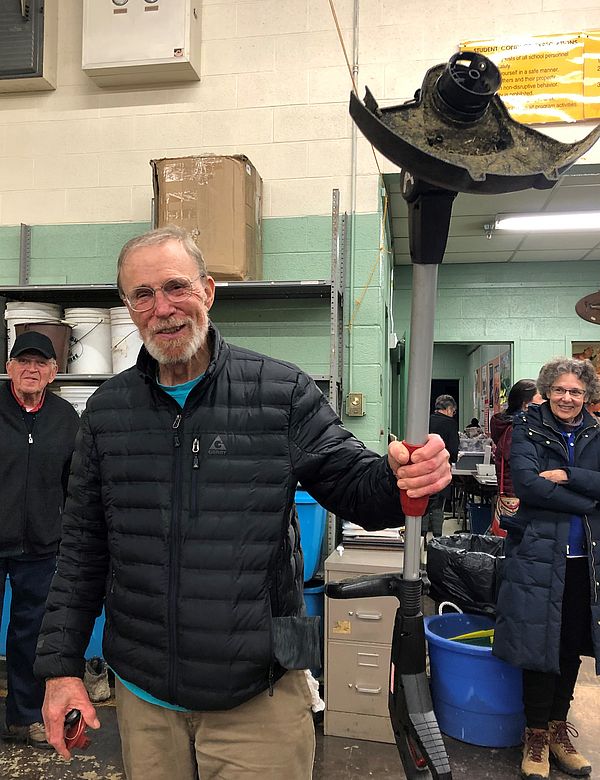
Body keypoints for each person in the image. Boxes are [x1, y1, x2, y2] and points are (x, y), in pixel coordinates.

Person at [33, 226, 451, 780]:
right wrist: (61, 669)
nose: (162, 308)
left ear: (208, 291)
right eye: (143, 294)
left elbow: (359, 490)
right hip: (144, 694)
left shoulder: (279, 393)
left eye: (176, 287)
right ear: (128, 307)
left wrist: (403, 478)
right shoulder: (107, 413)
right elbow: (82, 550)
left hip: (259, 692)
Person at [494, 357, 600, 780]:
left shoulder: (596, 430)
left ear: (586, 396)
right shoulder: (527, 427)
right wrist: (589, 500)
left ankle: (559, 729)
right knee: (539, 646)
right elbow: (527, 484)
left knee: (571, 645)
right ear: (547, 391)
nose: (567, 398)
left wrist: (568, 475)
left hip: (586, 560)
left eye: (576, 391)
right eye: (560, 390)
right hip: (539, 554)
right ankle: (535, 735)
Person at [0, 332, 80, 749]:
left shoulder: (66, 417)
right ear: (9, 367)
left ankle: (24, 717)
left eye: (40, 363)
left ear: (53, 372)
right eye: (23, 362)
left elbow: (76, 483)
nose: (31, 369)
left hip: (43, 545)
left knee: (30, 636)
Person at [489, 379, 543, 537]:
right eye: (541, 400)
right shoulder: (518, 430)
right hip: (519, 499)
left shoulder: (509, 427)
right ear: (526, 405)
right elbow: (523, 468)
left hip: (512, 497)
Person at [421, 394, 459, 540]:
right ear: (449, 409)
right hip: (441, 469)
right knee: (438, 505)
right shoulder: (450, 423)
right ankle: (437, 540)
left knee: (424, 502)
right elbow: (453, 451)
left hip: (423, 468)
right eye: (453, 411)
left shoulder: (425, 421)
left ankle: (421, 539)